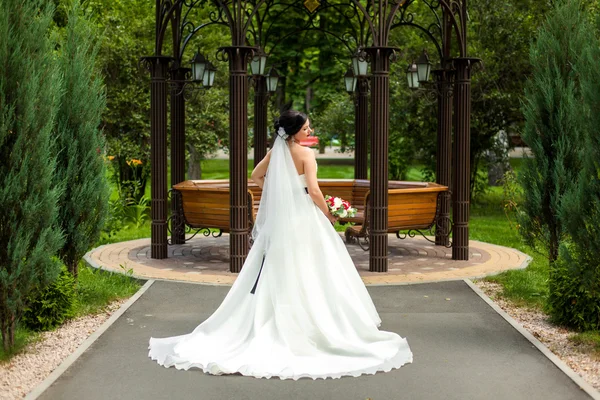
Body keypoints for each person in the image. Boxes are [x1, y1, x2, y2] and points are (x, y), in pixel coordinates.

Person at [148, 110, 413, 379]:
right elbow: (315, 190)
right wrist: (329, 215)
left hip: (283, 220)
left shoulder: (277, 152)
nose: (310, 131)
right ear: (294, 130)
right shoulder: (306, 155)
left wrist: (280, 190)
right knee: (314, 267)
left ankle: (274, 318)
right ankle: (315, 322)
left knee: (281, 265)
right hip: (304, 217)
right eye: (306, 128)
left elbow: (256, 176)